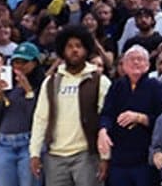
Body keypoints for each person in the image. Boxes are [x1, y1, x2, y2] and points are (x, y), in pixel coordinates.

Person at [29, 25, 112, 186]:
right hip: (55, 156)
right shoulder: (51, 81)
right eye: (70, 46)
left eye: (79, 46)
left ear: (86, 49)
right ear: (62, 50)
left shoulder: (99, 80)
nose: (74, 50)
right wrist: (34, 153)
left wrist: (105, 157)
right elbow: (40, 118)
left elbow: (106, 122)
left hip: (87, 154)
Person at [99, 46, 162, 186]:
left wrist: (141, 118)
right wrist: (103, 130)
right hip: (119, 157)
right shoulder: (117, 86)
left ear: (148, 65)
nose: (136, 62)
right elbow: (107, 113)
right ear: (123, 65)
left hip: (144, 158)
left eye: (140, 59)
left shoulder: (156, 87)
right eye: (131, 59)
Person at [0, 42, 44, 186]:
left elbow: (34, 119)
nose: (19, 66)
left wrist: (29, 93)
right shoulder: (8, 86)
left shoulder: (42, 87)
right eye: (16, 62)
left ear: (35, 63)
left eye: (24, 62)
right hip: (4, 145)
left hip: (28, 144)